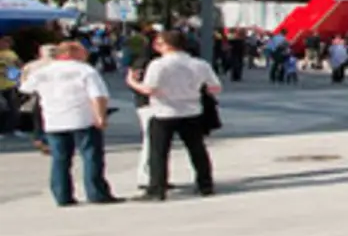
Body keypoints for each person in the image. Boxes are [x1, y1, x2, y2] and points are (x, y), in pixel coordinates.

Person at [131, 31, 222, 201]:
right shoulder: (199, 64)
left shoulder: (159, 65)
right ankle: (205, 184)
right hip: (191, 110)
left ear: (166, 45)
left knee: (159, 152)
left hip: (164, 111)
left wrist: (132, 82)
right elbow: (215, 87)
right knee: (197, 149)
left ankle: (157, 188)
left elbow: (149, 89)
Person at [29, 41, 117, 207]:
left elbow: (26, 88)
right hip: (82, 118)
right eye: (83, 51)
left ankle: (62, 196)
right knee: (91, 156)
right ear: (72, 53)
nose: (86, 55)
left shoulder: (43, 72)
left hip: (54, 119)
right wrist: (101, 116)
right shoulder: (85, 70)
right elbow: (98, 96)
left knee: (60, 159)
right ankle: (96, 193)